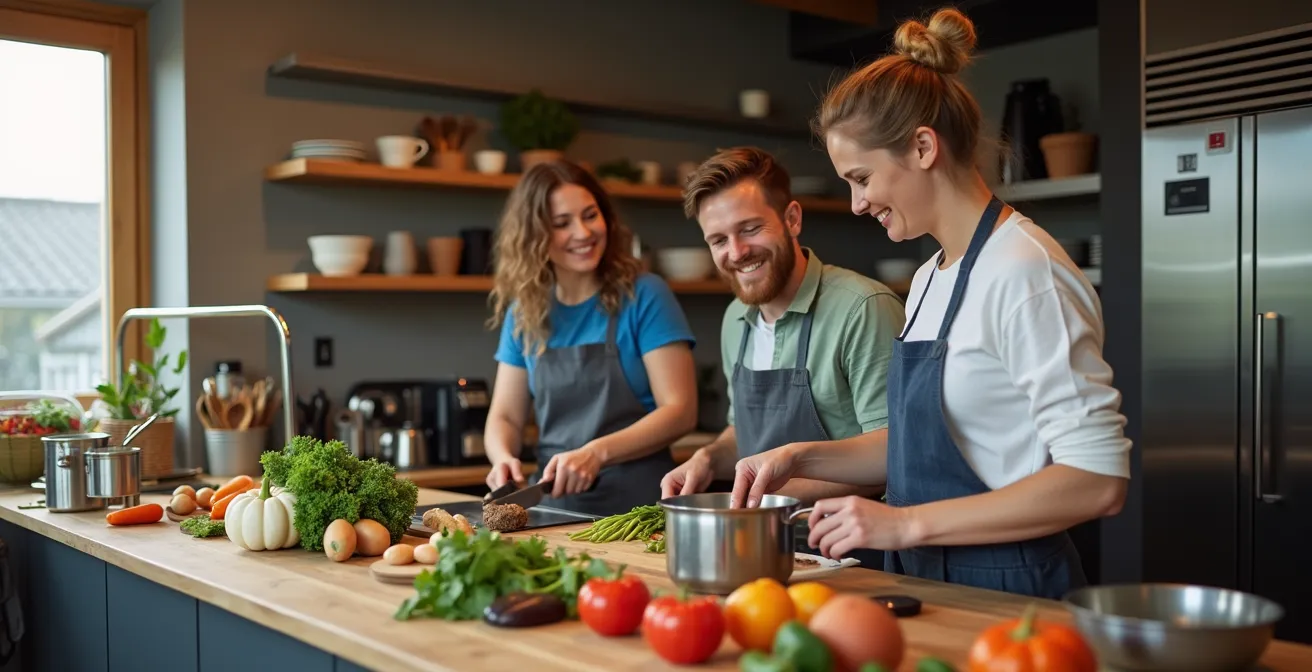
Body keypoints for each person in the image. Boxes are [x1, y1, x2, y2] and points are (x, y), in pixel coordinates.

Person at [730, 8, 1131, 600]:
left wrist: (905, 523)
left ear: (922, 147)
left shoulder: (1025, 271)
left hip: (1010, 592)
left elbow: (1097, 479)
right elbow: (917, 449)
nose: (857, 203)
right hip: (927, 578)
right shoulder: (928, 279)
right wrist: (798, 458)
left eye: (861, 177)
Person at [659, 147, 907, 525]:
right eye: (718, 240)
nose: (737, 252)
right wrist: (708, 459)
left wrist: (758, 499)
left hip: (849, 553)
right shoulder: (735, 319)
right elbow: (743, 433)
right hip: (756, 544)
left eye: (750, 229)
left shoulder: (863, 308)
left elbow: (894, 453)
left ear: (791, 219)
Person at [483, 159, 699, 517]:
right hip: (554, 510)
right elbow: (505, 415)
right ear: (534, 235)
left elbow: (681, 411)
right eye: (562, 224)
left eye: (590, 215)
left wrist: (595, 453)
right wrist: (502, 457)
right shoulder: (525, 313)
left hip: (640, 510)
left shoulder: (644, 295)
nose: (583, 233)